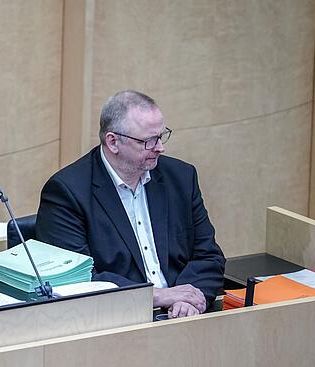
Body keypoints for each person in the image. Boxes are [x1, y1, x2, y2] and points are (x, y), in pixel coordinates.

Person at [36, 90, 225, 319]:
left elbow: (208, 256)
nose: (160, 147)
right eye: (148, 141)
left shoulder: (181, 178)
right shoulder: (67, 192)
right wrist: (157, 296)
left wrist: (189, 300)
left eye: (161, 135)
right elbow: (78, 279)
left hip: (184, 317)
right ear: (113, 142)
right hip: (116, 322)